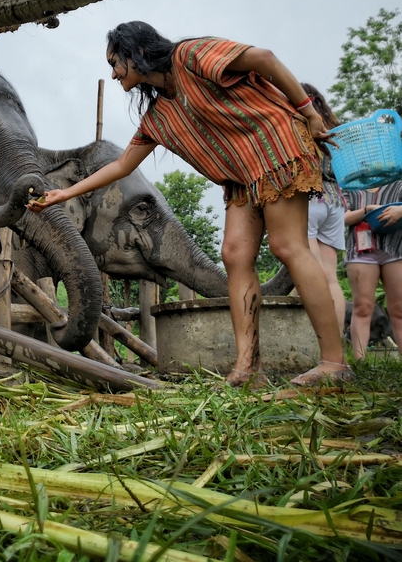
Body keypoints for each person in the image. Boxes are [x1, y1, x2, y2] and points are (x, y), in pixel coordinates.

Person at [28, 21, 352, 387]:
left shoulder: (191, 56)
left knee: (287, 245)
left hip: (274, 147)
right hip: (241, 175)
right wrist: (64, 194)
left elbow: (264, 58)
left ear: (135, 53)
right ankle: (248, 368)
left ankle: (334, 363)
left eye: (115, 62)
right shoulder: (159, 116)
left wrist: (308, 111)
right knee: (233, 254)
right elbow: (121, 165)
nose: (114, 73)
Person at [301, 83, 347, 340]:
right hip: (335, 203)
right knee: (330, 277)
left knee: (313, 276)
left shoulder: (302, 126)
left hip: (309, 200)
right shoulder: (334, 131)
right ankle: (337, 342)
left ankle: (322, 346)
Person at [342, 181, 402, 360]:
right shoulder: (348, 185)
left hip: (395, 249)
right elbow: (341, 218)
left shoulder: (398, 181)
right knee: (362, 307)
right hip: (361, 251)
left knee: (399, 309)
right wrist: (367, 210)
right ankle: (360, 364)